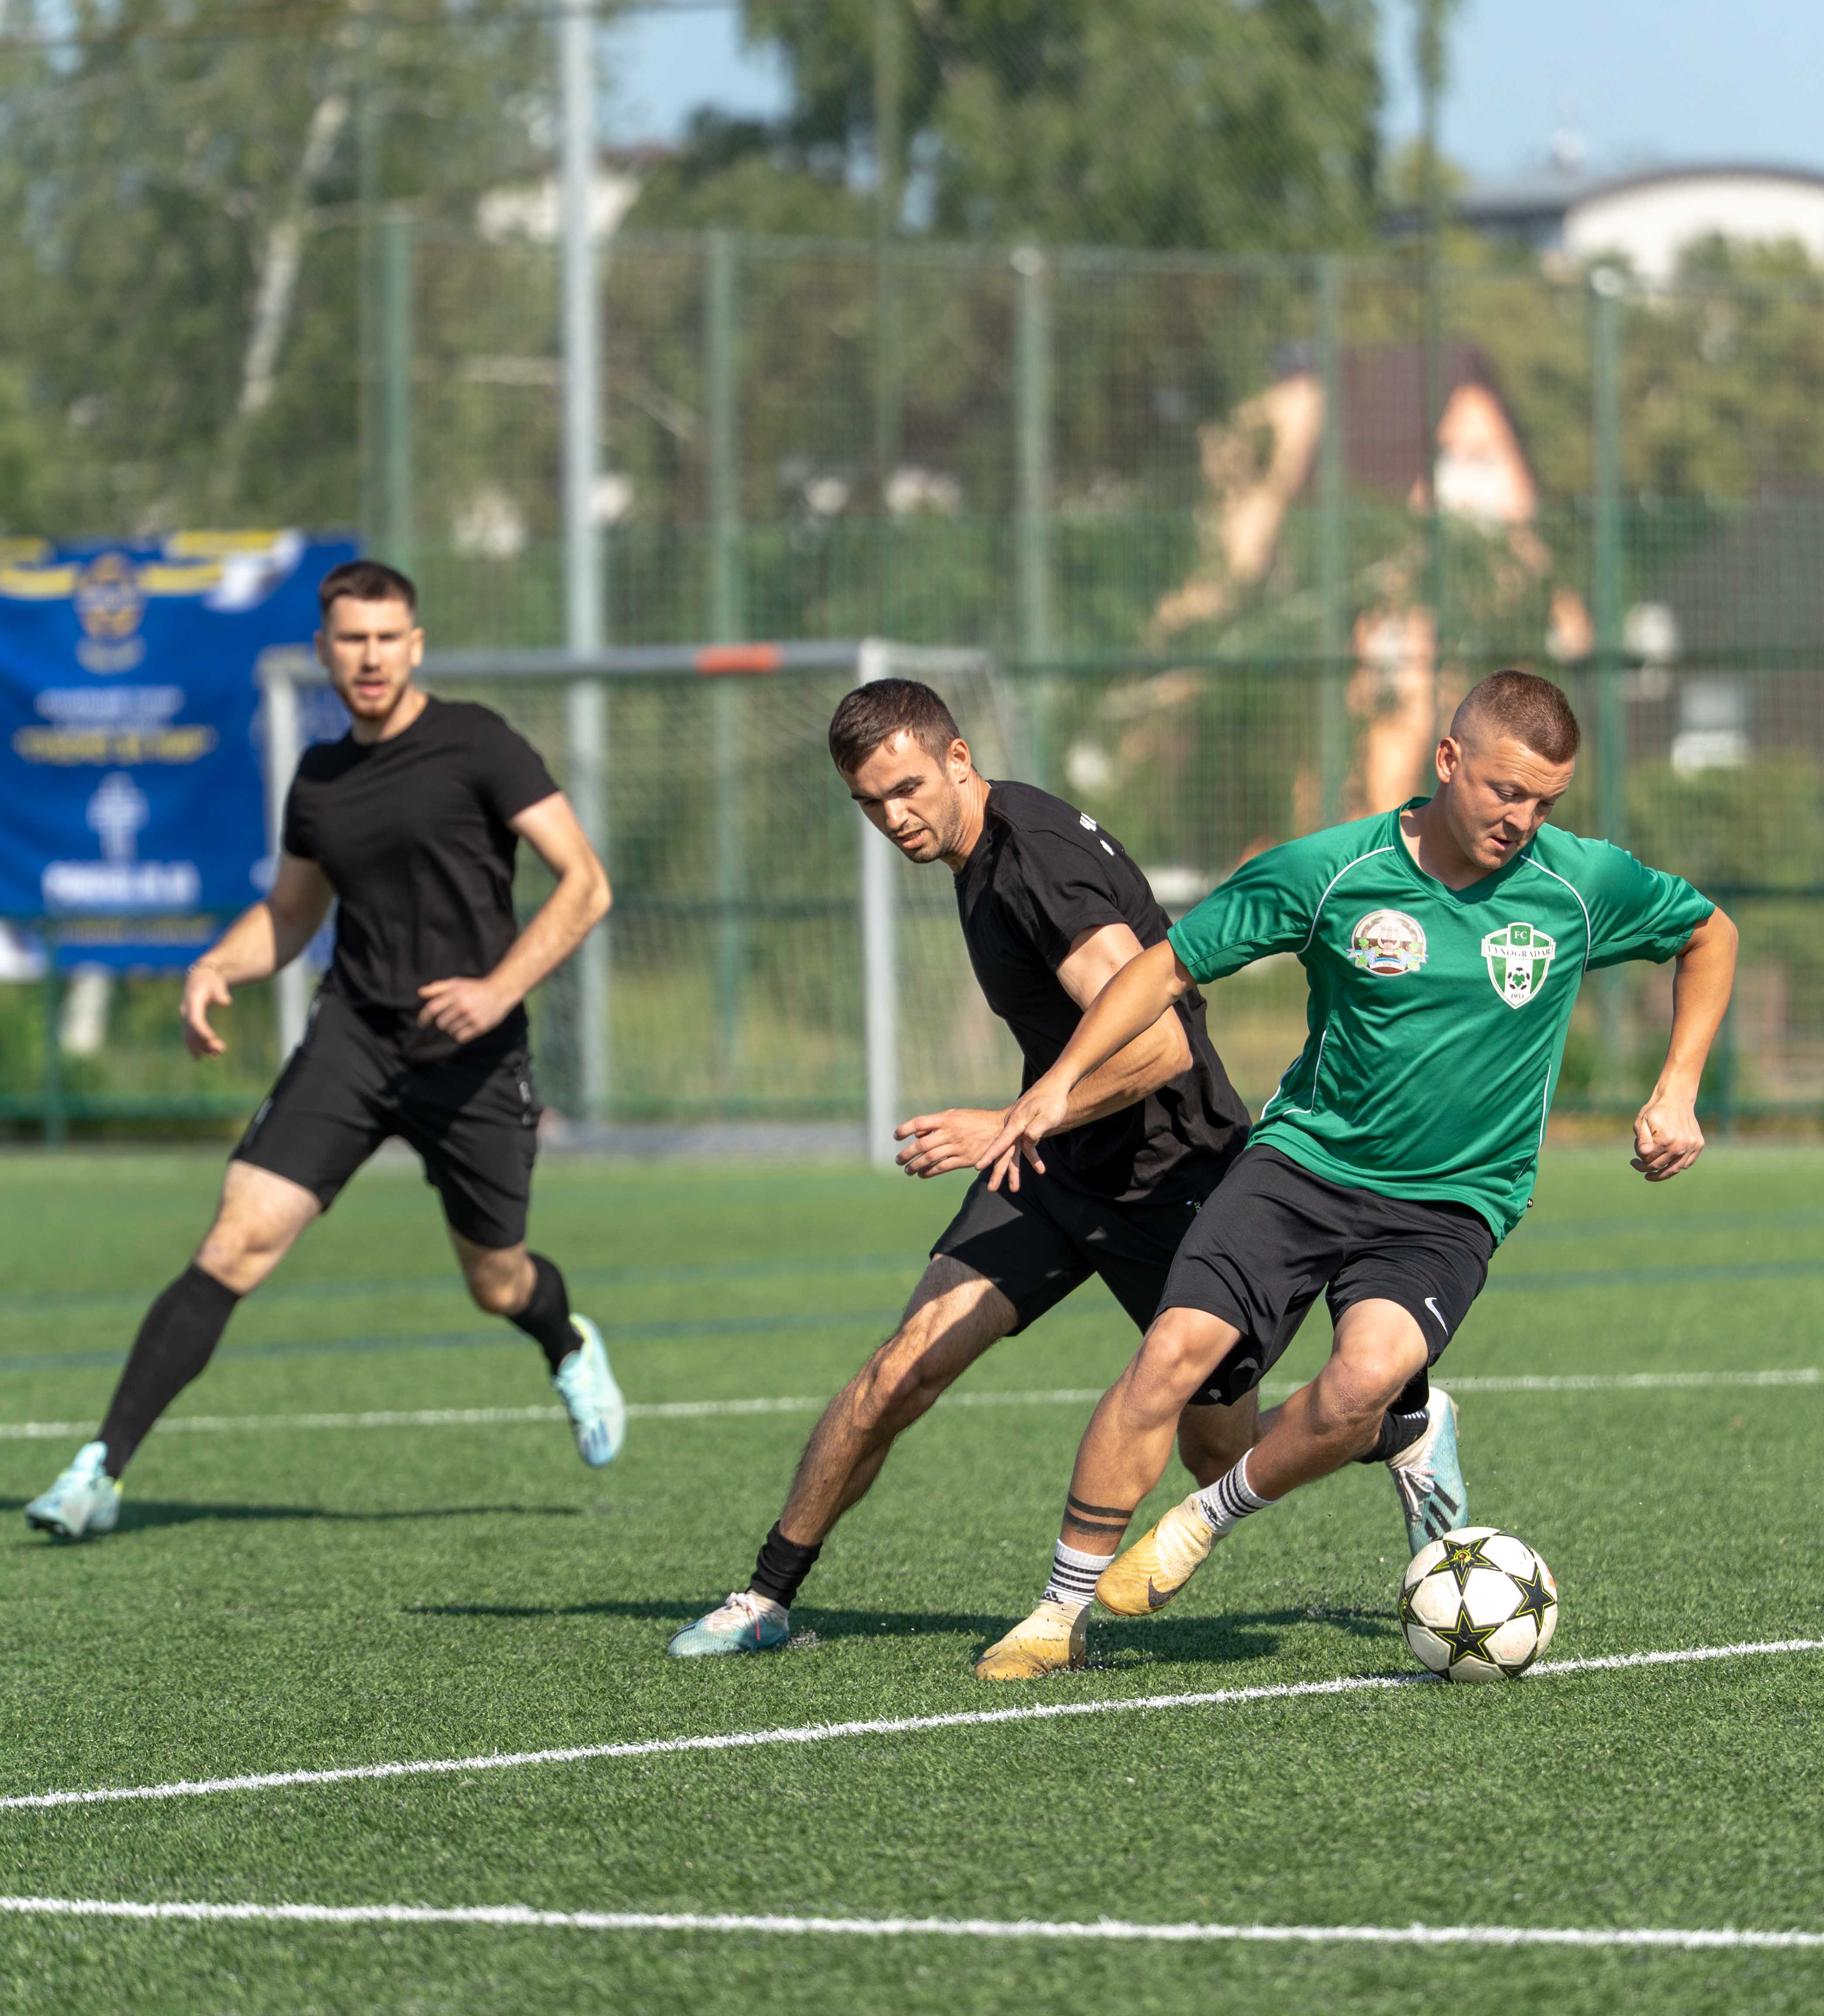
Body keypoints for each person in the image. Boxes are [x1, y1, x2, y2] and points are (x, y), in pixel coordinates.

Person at [665, 678, 1470, 1663]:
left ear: (959, 759)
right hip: (1052, 1169)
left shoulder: (1035, 865)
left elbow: (1159, 1048)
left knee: (1215, 1453)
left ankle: (1400, 1430)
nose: (894, 817)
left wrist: (1009, 1119)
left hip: (1173, 1178)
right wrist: (1027, 1127)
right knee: (902, 1368)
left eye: (908, 789)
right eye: (870, 803)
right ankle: (765, 1597)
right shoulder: (974, 851)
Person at [972, 667, 1738, 1680]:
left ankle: (1206, 1518)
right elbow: (1163, 967)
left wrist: (1676, 1087)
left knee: (1362, 1381)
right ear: (1448, 760)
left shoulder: (1575, 884)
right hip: (1300, 1169)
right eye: (1505, 791)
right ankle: (1057, 1613)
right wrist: (1060, 1083)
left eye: (1545, 802)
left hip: (1451, 1203)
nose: (1521, 820)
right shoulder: (1332, 871)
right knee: (1170, 1360)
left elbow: (1707, 933)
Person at [25, 557, 625, 1540]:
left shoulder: (478, 742)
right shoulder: (320, 777)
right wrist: (216, 964)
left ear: (415, 645)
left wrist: (496, 991)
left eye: (388, 638)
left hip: (472, 1060)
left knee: (496, 1281)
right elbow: (293, 913)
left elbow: (585, 883)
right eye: (353, 640)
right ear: (325, 650)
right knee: (234, 1241)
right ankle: (99, 1472)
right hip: (352, 1039)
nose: (371, 657)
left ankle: (564, 1341)